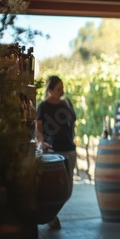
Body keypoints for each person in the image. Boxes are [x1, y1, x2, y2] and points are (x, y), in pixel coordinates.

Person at [35, 75, 77, 229]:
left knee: (68, 189)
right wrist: (42, 142)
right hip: (53, 153)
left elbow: (72, 125)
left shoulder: (66, 104)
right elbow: (38, 130)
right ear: (50, 90)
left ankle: (52, 214)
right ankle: (51, 216)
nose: (62, 91)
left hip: (70, 150)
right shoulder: (43, 107)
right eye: (59, 88)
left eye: (62, 87)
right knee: (54, 190)